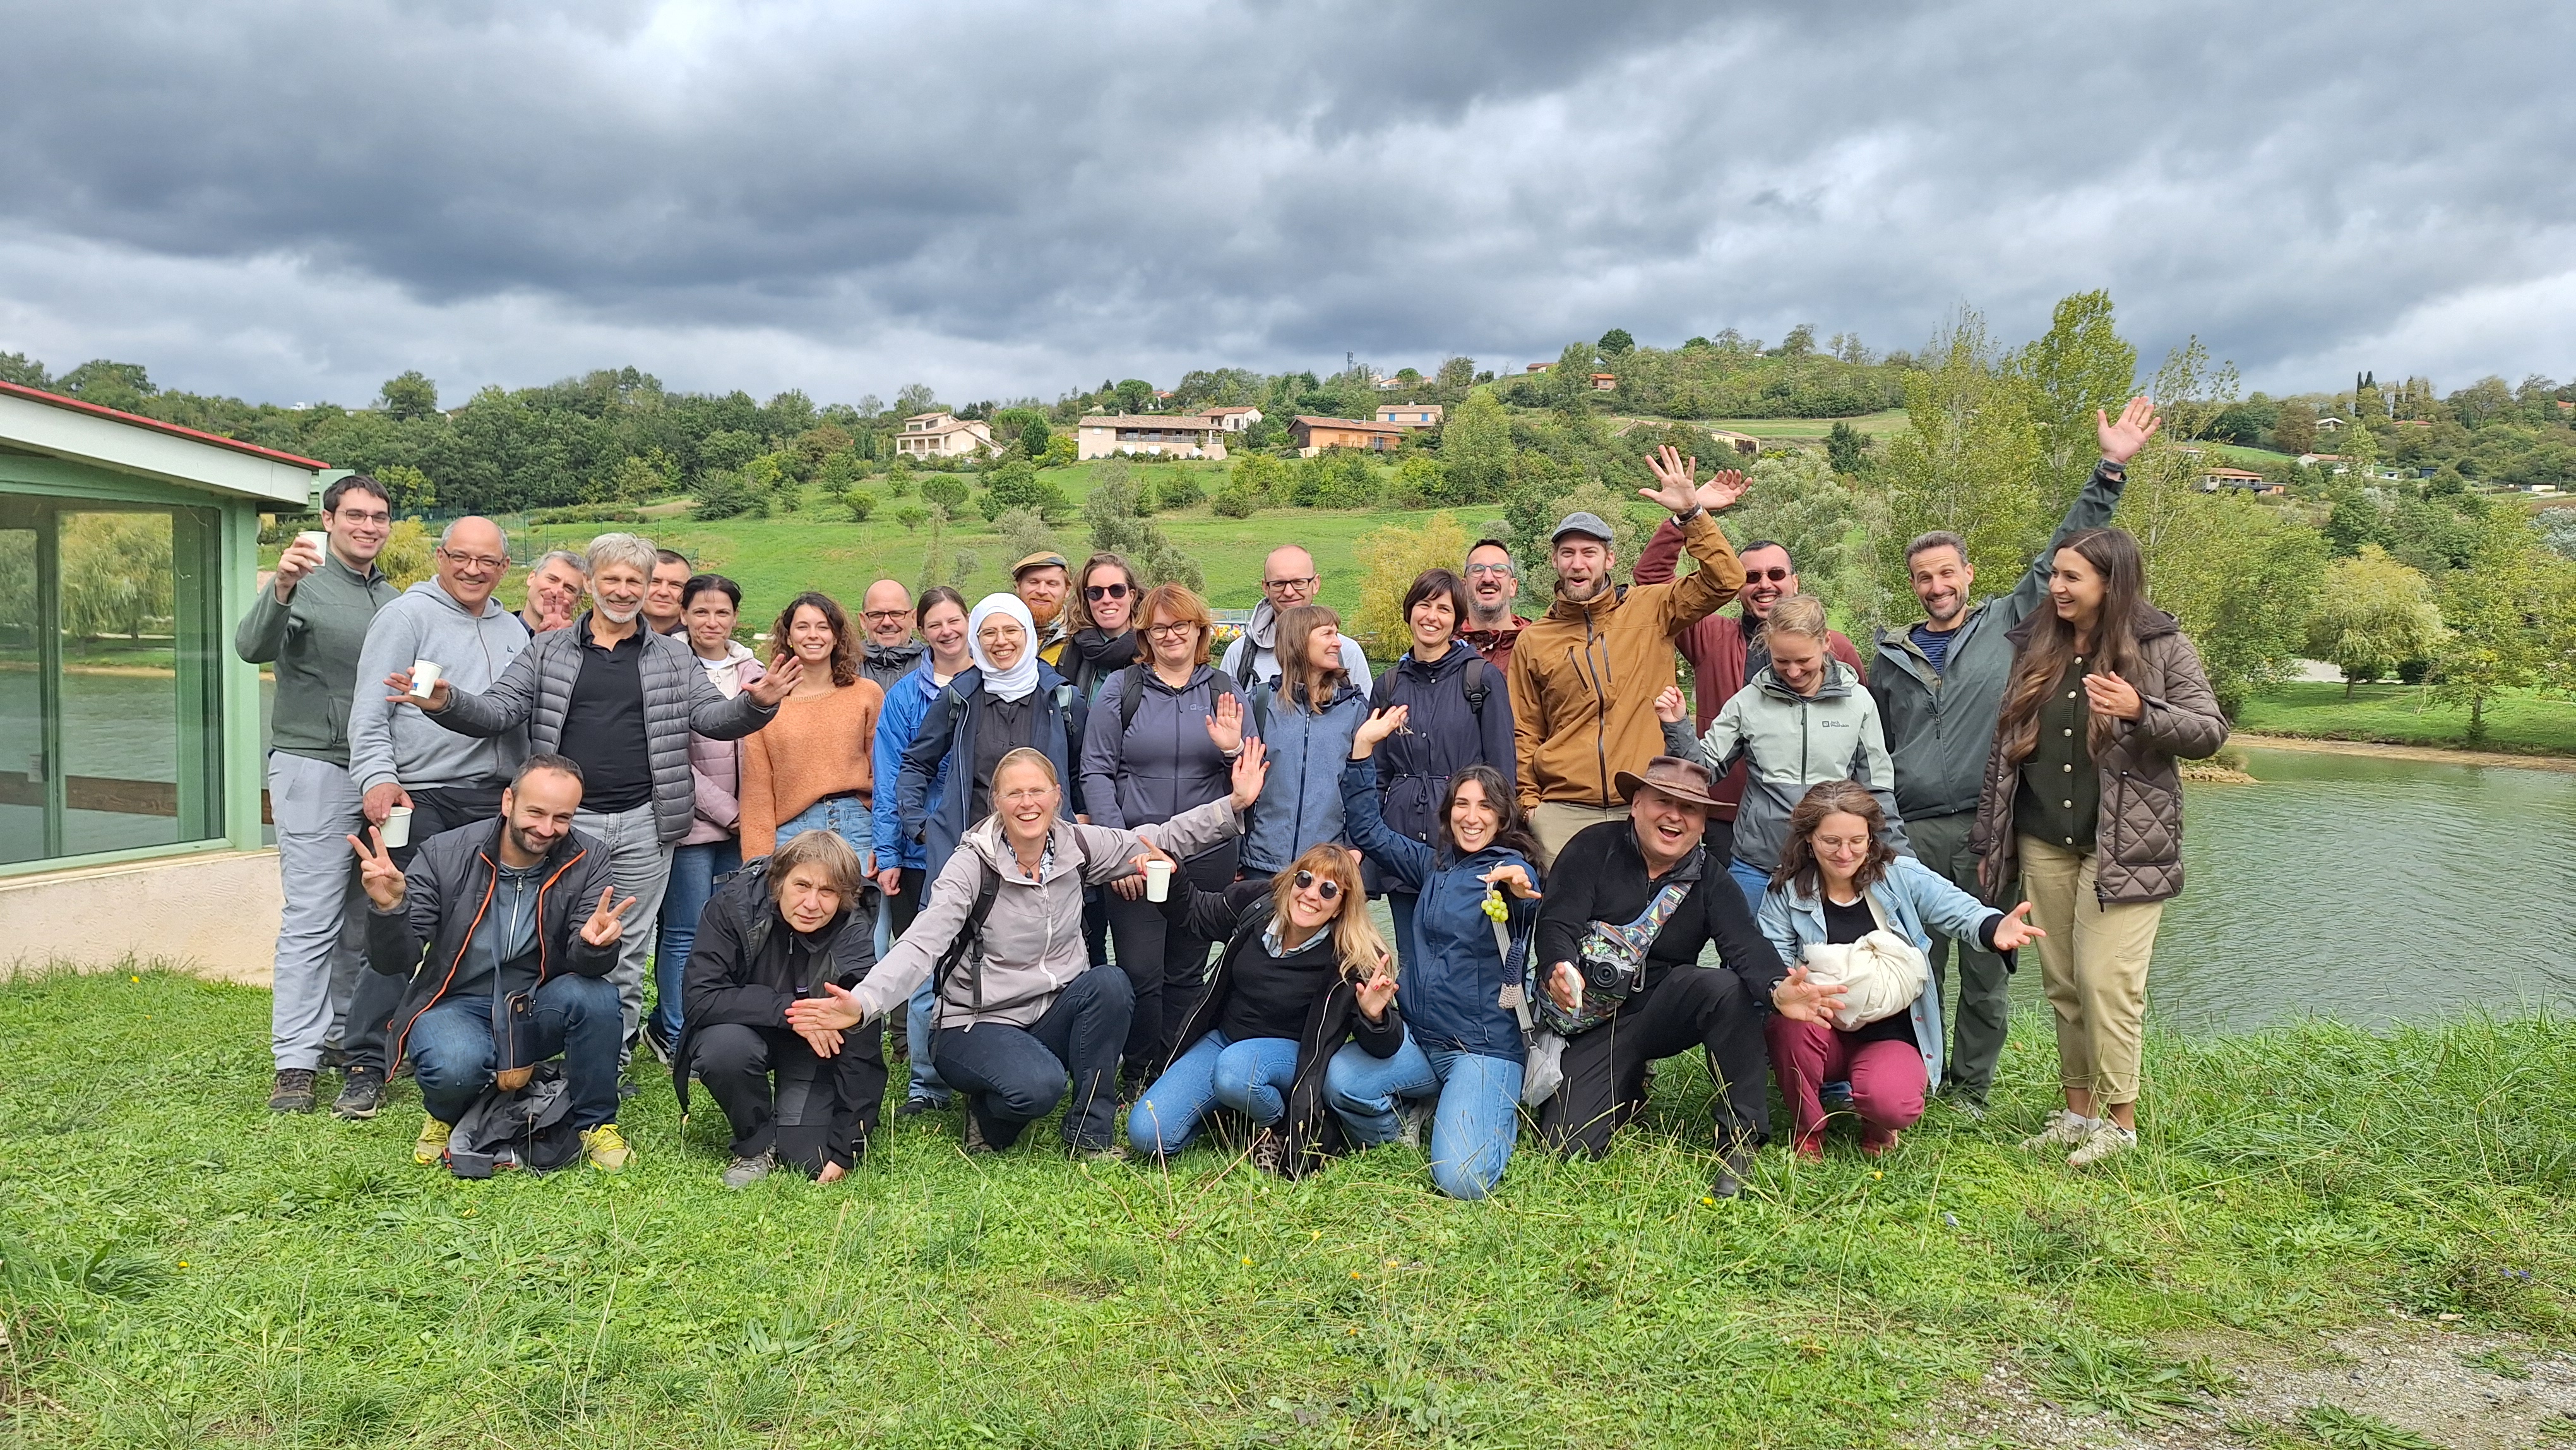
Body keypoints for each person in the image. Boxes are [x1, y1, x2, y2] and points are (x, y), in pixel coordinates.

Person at [389, 532, 800, 1050]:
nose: (624, 590)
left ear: (649, 587)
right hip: (564, 825)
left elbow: (712, 719)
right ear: (590, 582)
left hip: (646, 823)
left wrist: (757, 704)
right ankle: (541, 1047)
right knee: (549, 939)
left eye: (635, 581)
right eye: (612, 578)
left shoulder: (673, 659)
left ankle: (612, 1053)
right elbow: (499, 711)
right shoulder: (547, 650)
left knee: (624, 943)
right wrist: (448, 701)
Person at [1868, 396, 2154, 1114]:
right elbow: (1867, 742)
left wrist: (2110, 470)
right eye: (1923, 578)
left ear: (1968, 573)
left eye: (1946, 573)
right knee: (1914, 964)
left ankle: (1972, 1090)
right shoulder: (1888, 657)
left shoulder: (2010, 624)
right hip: (1908, 832)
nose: (1936, 586)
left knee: (1988, 964)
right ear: (1914, 586)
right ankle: (1919, 1083)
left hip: (1989, 826)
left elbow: (2070, 546)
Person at [788, 745, 1270, 1159]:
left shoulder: (1077, 843)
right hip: (974, 1024)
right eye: (1014, 792)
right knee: (1038, 1088)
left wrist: (1233, 804)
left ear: (1057, 796)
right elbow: (922, 941)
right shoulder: (970, 866)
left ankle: (1090, 1134)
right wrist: (865, 1002)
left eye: (1037, 790)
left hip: (1048, 1014)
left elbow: (1159, 839)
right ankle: (987, 1117)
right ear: (996, 801)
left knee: (1111, 984)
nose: (1027, 802)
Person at [1973, 525, 2226, 1167]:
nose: (2055, 586)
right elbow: (2007, 749)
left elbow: (2208, 731)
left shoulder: (2162, 647)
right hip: (2043, 840)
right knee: (2062, 982)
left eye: (2070, 577)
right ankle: (2077, 1113)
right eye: (2054, 574)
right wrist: (1992, 835)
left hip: (2126, 847)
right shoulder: (2037, 643)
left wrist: (2143, 709)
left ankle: (2121, 1122)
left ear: (2110, 582)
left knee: (2105, 979)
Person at [1532, 755, 1840, 1200]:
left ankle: (1740, 1137)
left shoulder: (1710, 877)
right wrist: (1558, 966)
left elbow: (1744, 944)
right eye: (1663, 801)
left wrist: (1777, 987)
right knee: (1570, 1146)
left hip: (1664, 1010)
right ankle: (1630, 1088)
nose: (1674, 816)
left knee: (1726, 987)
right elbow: (1557, 920)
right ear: (1636, 804)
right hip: (1593, 1019)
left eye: (1690, 808)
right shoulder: (1591, 847)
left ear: (1701, 823)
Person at [350, 753, 638, 1173]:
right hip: (456, 1002)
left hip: (537, 1001)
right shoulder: (445, 853)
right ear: (508, 802)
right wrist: (391, 908)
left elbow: (586, 961)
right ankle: (445, 1115)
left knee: (595, 997)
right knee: (455, 1068)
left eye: (562, 818)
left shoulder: (587, 858)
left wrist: (595, 945)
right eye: (535, 812)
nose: (546, 829)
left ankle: (596, 1122)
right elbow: (396, 960)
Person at [338, 515, 532, 1117]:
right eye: (461, 557)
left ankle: (492, 1047)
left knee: (491, 930)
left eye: (488, 561)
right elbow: (370, 706)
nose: (473, 570)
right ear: (440, 556)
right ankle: (366, 1063)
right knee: (399, 922)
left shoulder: (512, 629)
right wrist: (378, 777)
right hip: (419, 797)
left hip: (494, 799)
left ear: (504, 568)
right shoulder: (406, 616)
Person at [1755, 781, 2042, 1159]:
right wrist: (1781, 990)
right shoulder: (1784, 893)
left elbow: (1958, 910)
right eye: (1831, 842)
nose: (1845, 853)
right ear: (1809, 839)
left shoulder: (1901, 875)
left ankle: (1878, 1124)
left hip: (1891, 1031)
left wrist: (1994, 928)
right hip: (1823, 1026)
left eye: (1857, 841)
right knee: (1788, 1024)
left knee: (1894, 1104)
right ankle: (1808, 1130)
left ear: (1872, 838)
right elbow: (1770, 961)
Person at [234, 473, 400, 1113]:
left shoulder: (392, 597)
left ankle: (342, 1035)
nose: (368, 526)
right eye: (355, 515)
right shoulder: (302, 582)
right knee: (312, 918)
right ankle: (295, 1061)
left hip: (377, 773)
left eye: (379, 516)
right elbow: (252, 646)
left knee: (363, 917)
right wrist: (279, 587)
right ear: (329, 520)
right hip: (314, 767)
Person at [1327, 709, 1543, 1201]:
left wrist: (1518, 881)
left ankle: (1492, 1115)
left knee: (1461, 1180)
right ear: (1447, 814)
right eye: (1462, 805)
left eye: (1486, 807)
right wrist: (1363, 749)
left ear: (1503, 817)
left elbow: (1525, 889)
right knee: (1343, 1081)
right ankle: (1401, 1133)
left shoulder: (1508, 868)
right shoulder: (1434, 866)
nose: (1472, 816)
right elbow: (1369, 831)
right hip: (1423, 1042)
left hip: (1484, 1048)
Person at [1508, 445, 1749, 865]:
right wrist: (1530, 804)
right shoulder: (1534, 639)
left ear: (1609, 559)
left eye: (1589, 552)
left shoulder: (1652, 608)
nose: (1577, 563)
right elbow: (1524, 729)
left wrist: (1692, 514)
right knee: (1567, 925)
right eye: (1567, 553)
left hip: (1645, 801)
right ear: (1555, 562)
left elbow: (1727, 579)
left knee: (1646, 924)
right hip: (1563, 811)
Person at [1126, 842, 1400, 1174]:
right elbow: (1197, 912)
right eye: (1305, 880)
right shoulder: (1257, 905)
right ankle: (1233, 1118)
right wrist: (1175, 875)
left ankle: (1280, 1128)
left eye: (1328, 890)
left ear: (1341, 906)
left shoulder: (1351, 956)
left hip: (1291, 1056)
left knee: (1236, 1071)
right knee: (1146, 1134)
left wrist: (1375, 1015)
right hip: (1225, 1041)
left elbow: (1385, 1046)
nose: (1311, 895)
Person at [1079, 584, 1255, 1084]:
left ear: (1200, 630)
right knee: (1139, 972)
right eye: (1160, 627)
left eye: (1182, 625)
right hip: (1136, 853)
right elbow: (1095, 771)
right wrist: (1119, 853)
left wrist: (1228, 749)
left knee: (1185, 970)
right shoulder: (1121, 689)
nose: (1171, 635)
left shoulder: (1225, 689)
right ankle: (1135, 1072)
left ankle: (1172, 1069)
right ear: (1146, 635)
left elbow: (1250, 778)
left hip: (1208, 854)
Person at [1658, 594, 1908, 912]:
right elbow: (1699, 772)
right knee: (1748, 957)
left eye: (1803, 661)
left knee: (1823, 961)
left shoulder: (1858, 702)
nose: (1792, 672)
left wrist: (1901, 860)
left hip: (1833, 866)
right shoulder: (1746, 702)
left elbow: (1878, 790)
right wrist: (1677, 725)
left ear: (1826, 643)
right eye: (1781, 661)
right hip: (1757, 865)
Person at [674, 827, 886, 1188]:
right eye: (802, 885)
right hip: (744, 1030)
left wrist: (849, 1142)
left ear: (844, 897)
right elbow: (701, 996)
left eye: (828, 891)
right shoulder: (733, 905)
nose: (812, 904)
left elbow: (860, 1033)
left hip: (813, 1046)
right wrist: (794, 1012)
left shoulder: (852, 928)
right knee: (723, 1050)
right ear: (779, 881)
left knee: (809, 1159)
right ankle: (755, 1142)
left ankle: (790, 1124)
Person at [1633, 528, 1863, 853]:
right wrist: (1685, 518)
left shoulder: (1834, 646)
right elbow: (1653, 580)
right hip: (1725, 814)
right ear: (1738, 586)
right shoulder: (1710, 637)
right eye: (1751, 576)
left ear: (1795, 582)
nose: (1765, 584)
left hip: (1823, 823)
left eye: (1776, 574)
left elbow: (1863, 733)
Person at [643, 573, 765, 1064]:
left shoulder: (752, 669)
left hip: (744, 826)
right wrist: (731, 813)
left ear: (735, 617)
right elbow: (671, 756)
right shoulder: (665, 665)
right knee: (685, 933)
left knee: (733, 931)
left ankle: (722, 1023)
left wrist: (750, 815)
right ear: (684, 615)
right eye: (701, 612)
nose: (711, 622)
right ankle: (676, 1033)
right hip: (692, 823)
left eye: (721, 613)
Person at [1366, 568, 1516, 959]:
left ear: (1457, 619)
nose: (1431, 616)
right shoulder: (1388, 684)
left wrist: (1498, 841)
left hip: (1461, 837)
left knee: (1462, 955)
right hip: (1401, 836)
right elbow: (1377, 772)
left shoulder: (1480, 678)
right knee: (1411, 955)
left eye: (1444, 609)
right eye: (1423, 605)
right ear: (1409, 612)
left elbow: (1502, 770)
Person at [869, 586, 971, 1112]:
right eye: (936, 624)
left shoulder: (992, 686)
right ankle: (925, 1083)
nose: (946, 631)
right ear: (921, 630)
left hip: (983, 847)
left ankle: (975, 1070)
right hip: (919, 852)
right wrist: (888, 853)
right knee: (922, 967)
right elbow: (889, 779)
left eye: (955, 620)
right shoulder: (905, 697)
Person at [740, 592, 888, 859]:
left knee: (863, 903)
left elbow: (884, 775)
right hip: (793, 833)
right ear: (788, 637)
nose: (813, 635)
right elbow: (757, 794)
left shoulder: (867, 694)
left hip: (859, 828)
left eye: (823, 627)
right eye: (802, 627)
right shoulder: (766, 704)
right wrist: (756, 863)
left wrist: (886, 842)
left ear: (836, 636)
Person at [1239, 604, 1368, 883]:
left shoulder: (1355, 709)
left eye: (1338, 634)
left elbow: (1366, 786)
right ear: (1299, 641)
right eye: (1328, 634)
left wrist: (1355, 848)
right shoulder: (1260, 703)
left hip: (1328, 865)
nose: (1338, 642)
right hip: (1261, 863)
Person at [1218, 545, 1372, 691]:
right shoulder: (1240, 654)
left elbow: (1366, 715)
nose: (1289, 592)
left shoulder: (1345, 651)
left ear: (1316, 584)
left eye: (1299, 582)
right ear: (1266, 588)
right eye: (1279, 583)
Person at [1059, 552, 1142, 701]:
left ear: (1132, 595)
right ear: (1087, 599)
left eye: (1117, 590)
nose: (1107, 600)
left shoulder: (1153, 649)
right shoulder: (1073, 649)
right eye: (1096, 592)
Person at [1457, 539, 1532, 674]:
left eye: (1499, 569)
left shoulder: (1536, 645)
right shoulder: (1445, 647)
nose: (1488, 578)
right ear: (1464, 587)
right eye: (1477, 569)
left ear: (1513, 586)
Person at [857, 578, 925, 694]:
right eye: (877, 615)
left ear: (913, 618)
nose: (887, 622)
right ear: (863, 621)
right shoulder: (844, 666)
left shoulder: (933, 663)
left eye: (897, 614)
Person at [1011, 551, 1073, 666]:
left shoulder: (1080, 636)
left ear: (1067, 590)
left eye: (1052, 584)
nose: (1042, 591)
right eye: (1033, 582)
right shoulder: (999, 636)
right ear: (1019, 587)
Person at [518, 549, 588, 635]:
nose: (556, 592)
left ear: (577, 601)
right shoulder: (498, 631)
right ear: (531, 578)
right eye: (552, 579)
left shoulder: (579, 646)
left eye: (569, 588)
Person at [643, 548, 692, 636]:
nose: (663, 592)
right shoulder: (614, 634)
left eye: (675, 585)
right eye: (655, 582)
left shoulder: (701, 641)